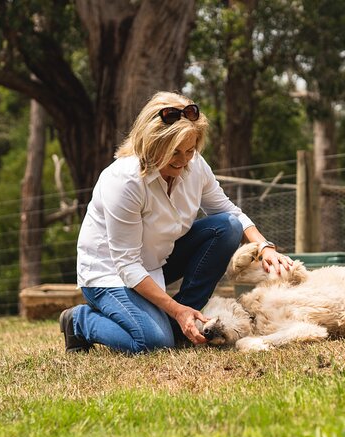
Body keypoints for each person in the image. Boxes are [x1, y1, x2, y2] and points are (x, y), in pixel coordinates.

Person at [59, 91, 292, 354]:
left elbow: (229, 211)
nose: (183, 161)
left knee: (227, 227)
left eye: (190, 150)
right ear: (152, 144)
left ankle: (179, 322)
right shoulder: (124, 181)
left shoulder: (194, 164)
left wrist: (264, 247)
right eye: (174, 153)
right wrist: (175, 308)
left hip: (156, 262)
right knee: (154, 343)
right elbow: (127, 265)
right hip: (110, 274)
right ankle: (80, 321)